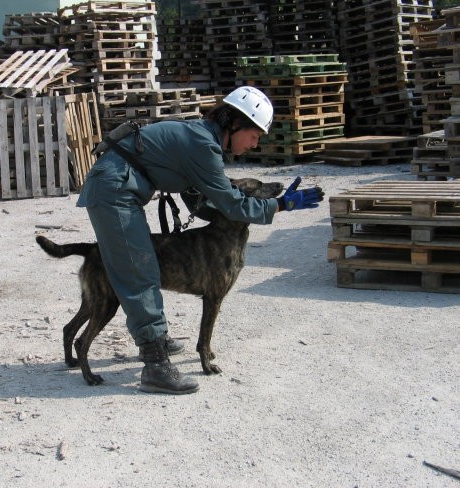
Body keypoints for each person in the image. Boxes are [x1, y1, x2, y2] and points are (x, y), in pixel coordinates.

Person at [77, 86, 324, 394]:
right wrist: (282, 205)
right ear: (236, 123)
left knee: (143, 264)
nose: (255, 143)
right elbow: (232, 204)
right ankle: (155, 364)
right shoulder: (203, 146)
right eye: (255, 135)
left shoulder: (203, 139)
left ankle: (155, 339)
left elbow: (201, 201)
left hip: (119, 187)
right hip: (113, 190)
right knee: (138, 269)